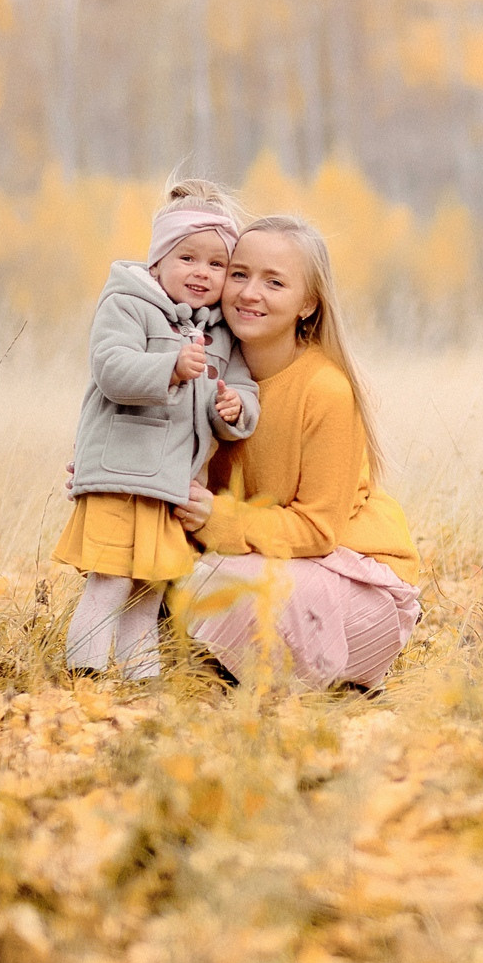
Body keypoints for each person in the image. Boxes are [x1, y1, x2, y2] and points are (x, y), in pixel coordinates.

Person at [172, 214, 420, 688]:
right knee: (144, 562)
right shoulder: (201, 371)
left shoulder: (324, 389)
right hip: (252, 553)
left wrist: (216, 520)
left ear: (307, 304)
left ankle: (311, 687)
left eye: (274, 282)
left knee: (230, 585)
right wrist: (116, 474)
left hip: (353, 577)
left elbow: (318, 530)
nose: (248, 293)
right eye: (240, 274)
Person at [53, 180, 260, 677]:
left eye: (217, 265)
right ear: (158, 261)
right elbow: (110, 367)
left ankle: (139, 681)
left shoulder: (219, 332)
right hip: (122, 476)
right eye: (188, 258)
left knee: (149, 590)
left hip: (170, 486)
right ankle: (85, 678)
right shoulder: (128, 303)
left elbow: (239, 385)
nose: (202, 273)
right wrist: (168, 367)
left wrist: (233, 410)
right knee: (110, 583)